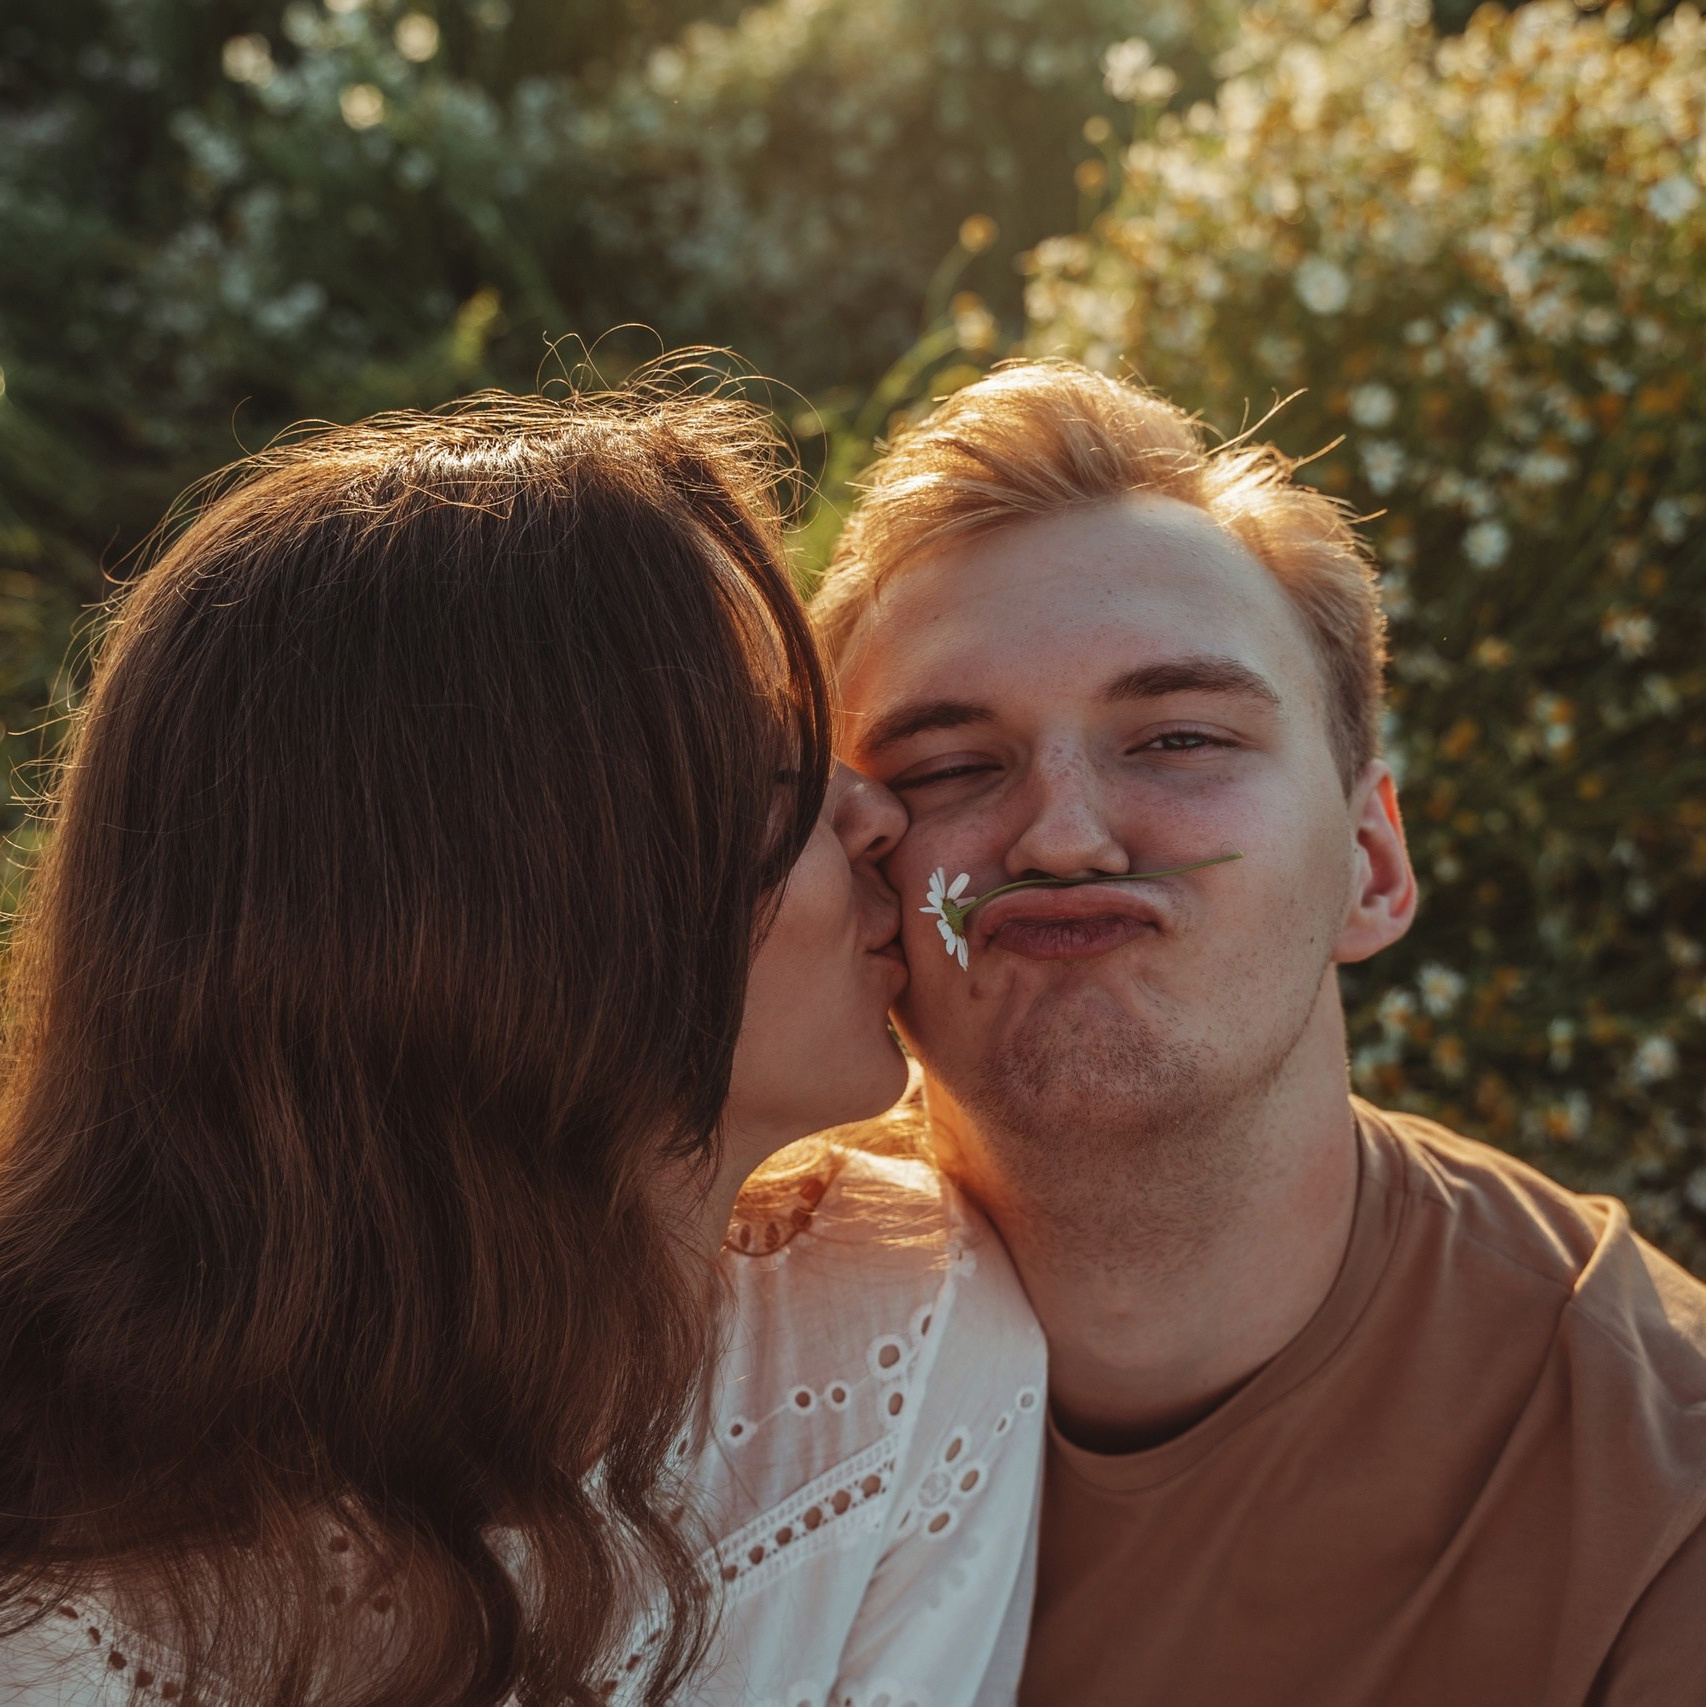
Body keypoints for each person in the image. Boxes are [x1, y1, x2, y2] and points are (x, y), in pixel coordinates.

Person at [0, 384, 1045, 1707]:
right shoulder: (56, 1606)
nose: (878, 813)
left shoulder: (899, 1344)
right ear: (493, 913)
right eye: (769, 777)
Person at [814, 359, 1706, 1707]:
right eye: (946, 768)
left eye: (1176, 738)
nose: (1060, 834)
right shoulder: (694, 1352)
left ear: (1369, 864)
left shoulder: (1655, 1486)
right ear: (857, 880)